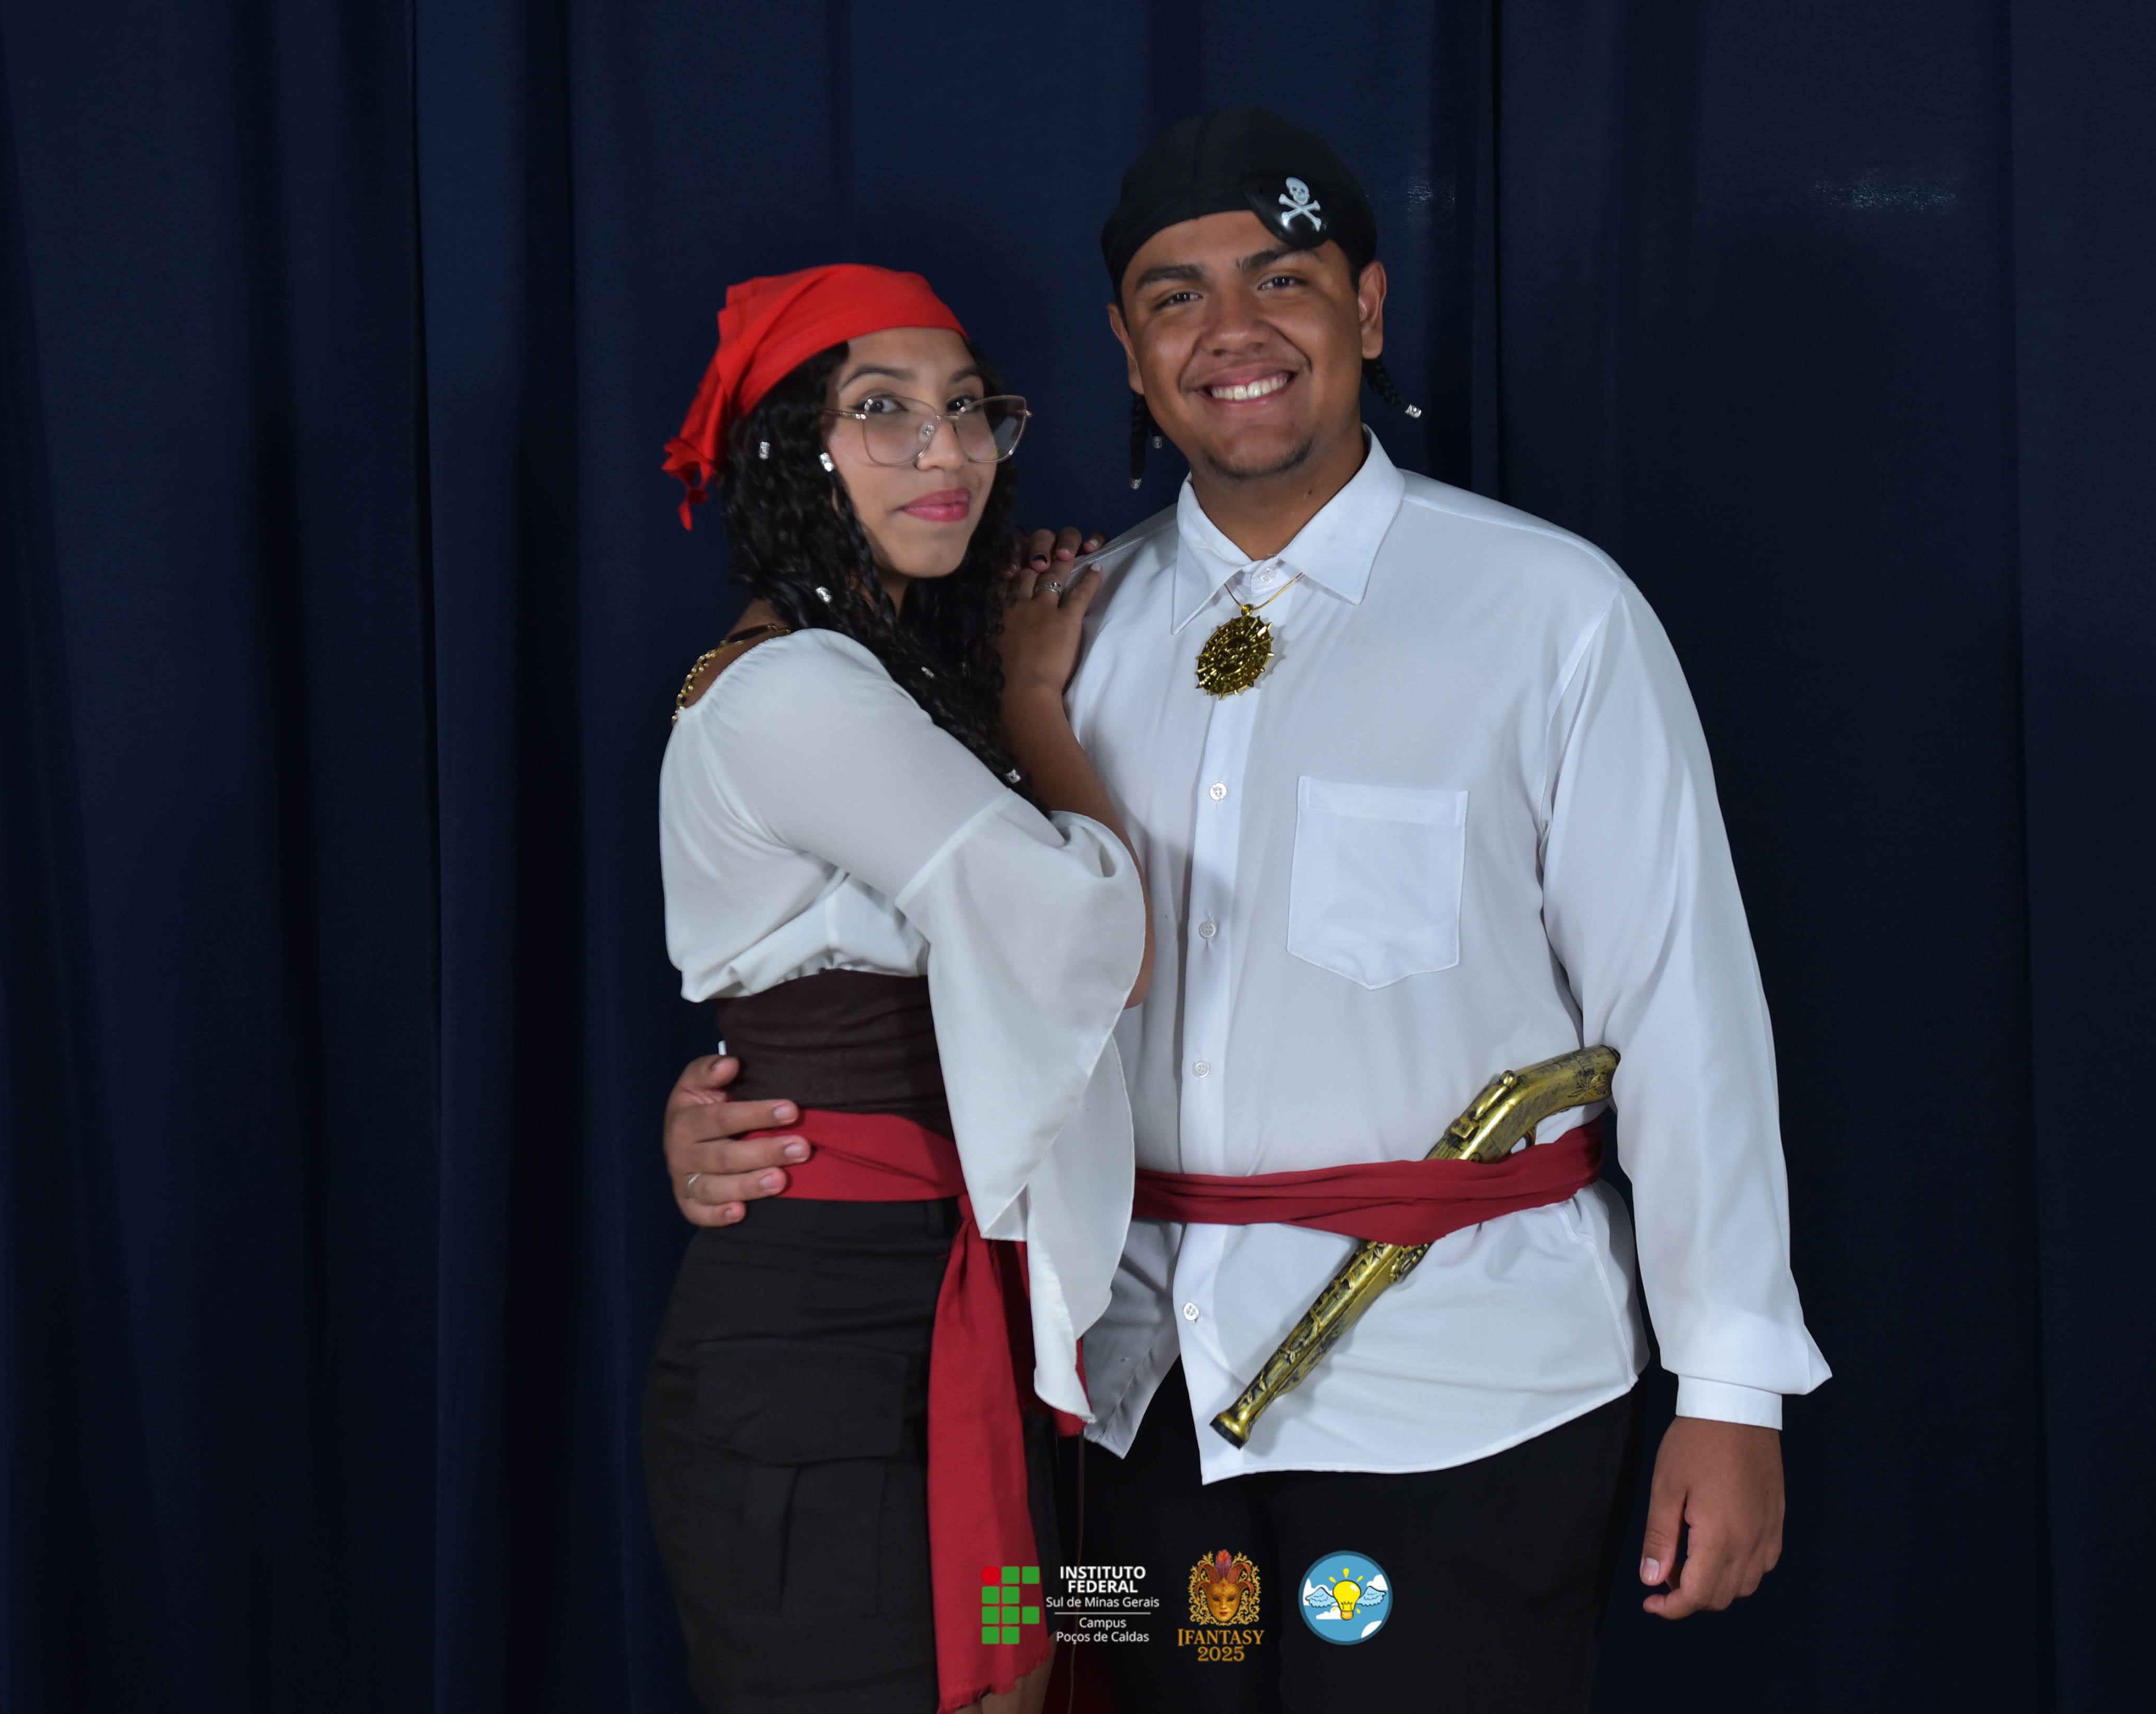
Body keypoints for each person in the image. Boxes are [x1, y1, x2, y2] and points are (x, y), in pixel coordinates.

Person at [663, 112, 1830, 1710]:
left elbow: (1685, 1009)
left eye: (1281, 280)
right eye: (1175, 297)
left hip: (1458, 1396)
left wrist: (1732, 1384)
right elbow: (909, 957)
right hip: (1129, 1399)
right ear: (1128, 355)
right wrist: (736, 1112)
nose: (1232, 331)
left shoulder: (1552, 612)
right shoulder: (1048, 634)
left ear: (1368, 309)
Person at [645, 263, 1153, 1714]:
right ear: (789, 451)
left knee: (1020, 1684)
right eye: (882, 410)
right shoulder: (793, 690)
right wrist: (1036, 700)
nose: (950, 450)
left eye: (969, 408)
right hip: (834, 1340)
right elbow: (1099, 946)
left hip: (943, 1301)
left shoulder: (889, 675)